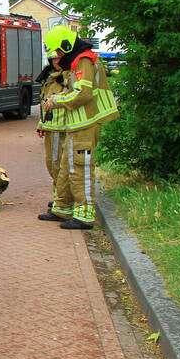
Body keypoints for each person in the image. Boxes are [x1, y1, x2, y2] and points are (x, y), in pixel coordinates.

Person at [38, 26, 119, 230]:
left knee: (80, 168)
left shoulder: (84, 61)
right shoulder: (76, 62)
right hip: (77, 125)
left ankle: (84, 215)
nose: (57, 57)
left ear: (66, 47)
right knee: (67, 168)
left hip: (86, 124)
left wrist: (56, 101)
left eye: (58, 52)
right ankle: (62, 208)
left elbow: (83, 94)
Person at [36, 51, 70, 211]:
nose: (56, 61)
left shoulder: (67, 77)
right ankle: (59, 197)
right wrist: (41, 124)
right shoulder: (50, 77)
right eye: (53, 58)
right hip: (50, 127)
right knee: (51, 164)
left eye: (59, 58)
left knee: (58, 166)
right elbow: (45, 103)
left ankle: (62, 200)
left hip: (61, 128)